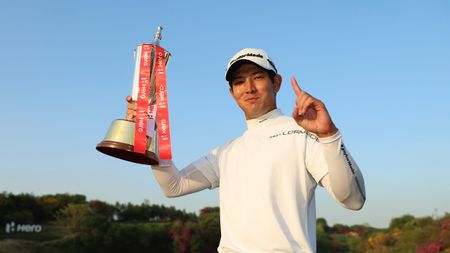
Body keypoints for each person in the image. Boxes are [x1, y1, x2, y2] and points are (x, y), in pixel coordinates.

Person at [126, 48, 366, 253]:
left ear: (276, 82)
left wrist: (329, 135)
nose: (248, 88)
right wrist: (149, 133)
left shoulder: (303, 135)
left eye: (257, 77)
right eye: (239, 82)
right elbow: (173, 186)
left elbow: (353, 200)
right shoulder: (228, 152)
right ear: (232, 93)